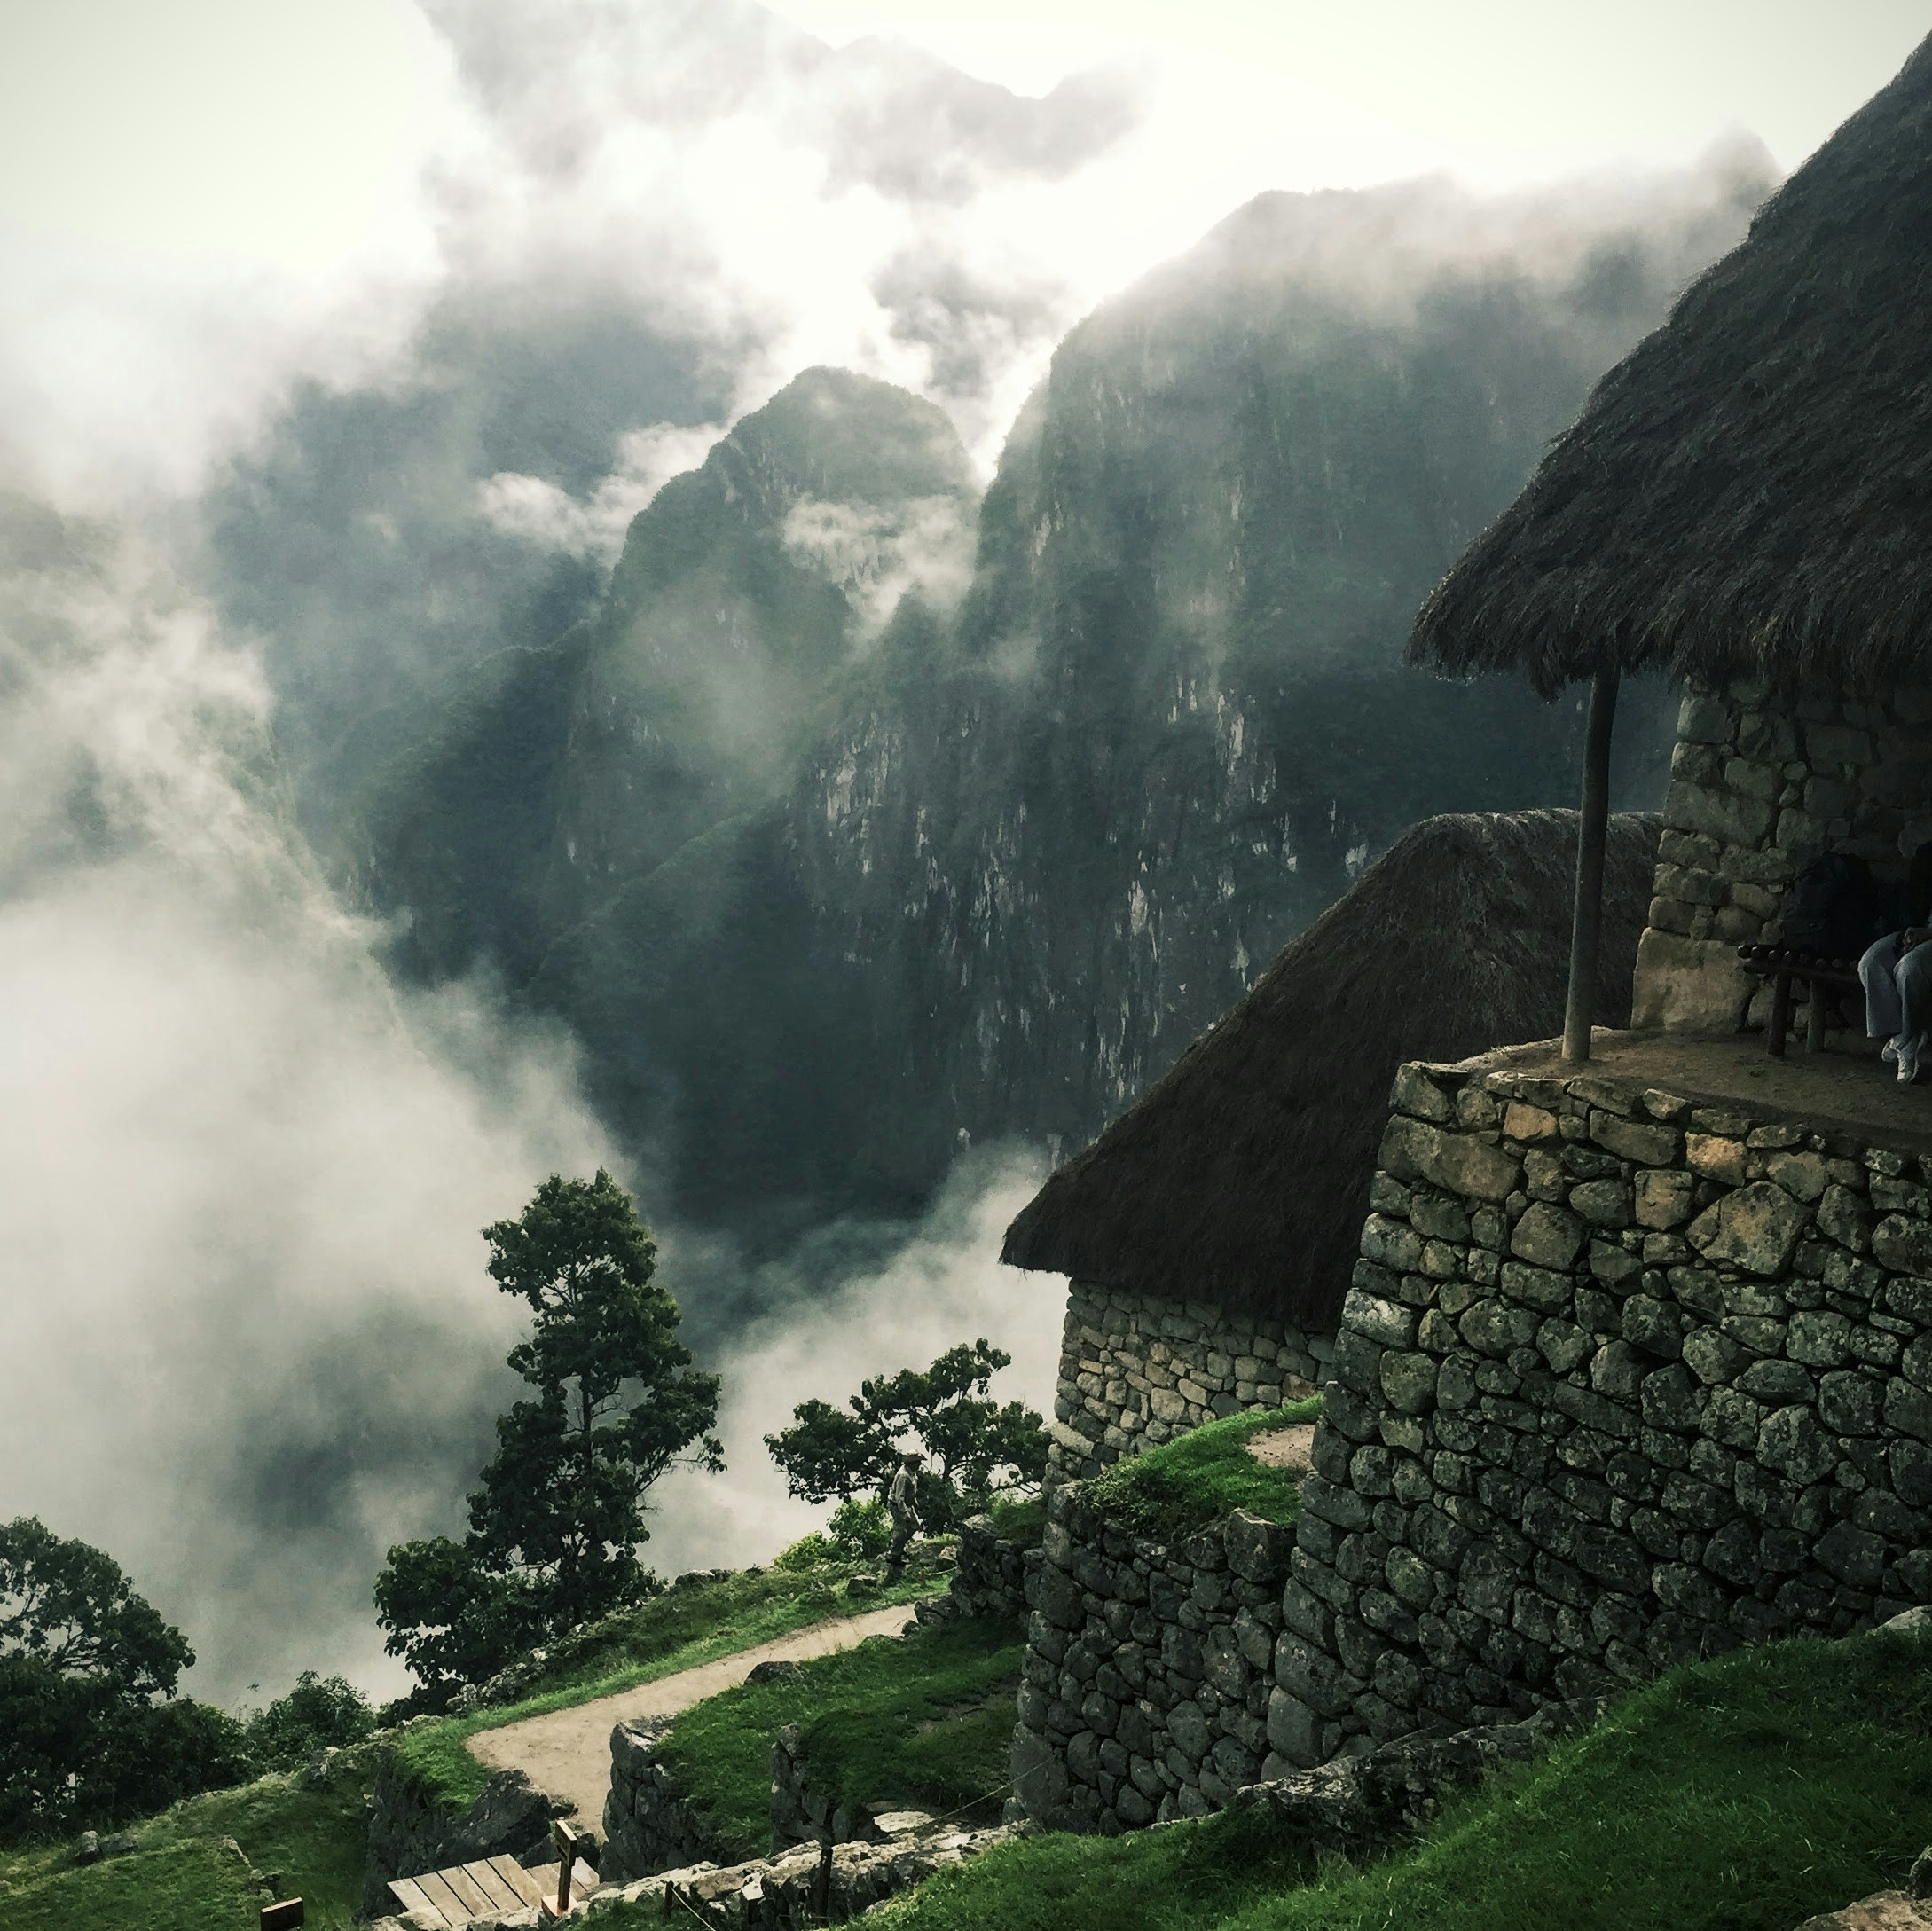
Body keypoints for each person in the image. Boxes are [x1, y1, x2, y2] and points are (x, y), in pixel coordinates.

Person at [1859, 923, 1932, 1083]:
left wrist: (1928, 932)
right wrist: (1907, 935)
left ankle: (1909, 1037)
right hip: (1910, 929)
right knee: (1870, 963)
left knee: (1908, 968)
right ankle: (1902, 1036)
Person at [884, 1451, 922, 1580]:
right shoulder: (903, 1476)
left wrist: (915, 1504)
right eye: (918, 1462)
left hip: (908, 1504)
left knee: (914, 1526)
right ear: (912, 1463)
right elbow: (899, 1497)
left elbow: (911, 1491)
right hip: (897, 1505)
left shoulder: (912, 1474)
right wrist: (905, 1514)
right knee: (901, 1530)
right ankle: (894, 1555)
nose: (920, 1464)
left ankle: (899, 1547)